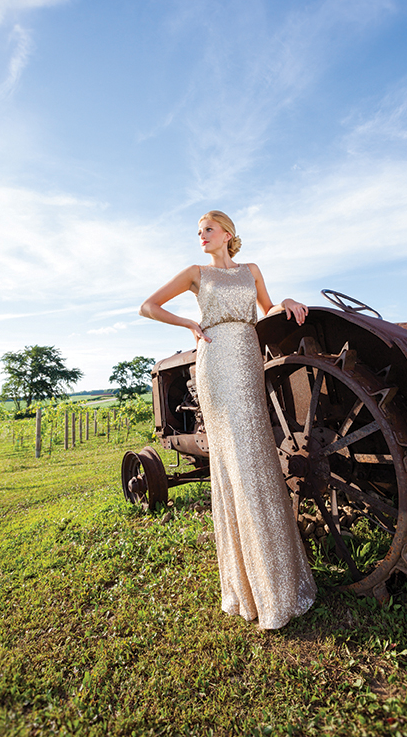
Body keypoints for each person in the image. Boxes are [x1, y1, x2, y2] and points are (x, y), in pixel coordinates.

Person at [139, 210, 317, 629]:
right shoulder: (195, 273)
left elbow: (268, 309)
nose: (201, 236)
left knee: (256, 458)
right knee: (234, 462)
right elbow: (148, 306)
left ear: (227, 234)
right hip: (216, 361)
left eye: (208, 229)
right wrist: (189, 323)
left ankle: (276, 577)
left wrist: (287, 302)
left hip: (247, 359)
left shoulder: (251, 269)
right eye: (198, 232)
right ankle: (252, 588)